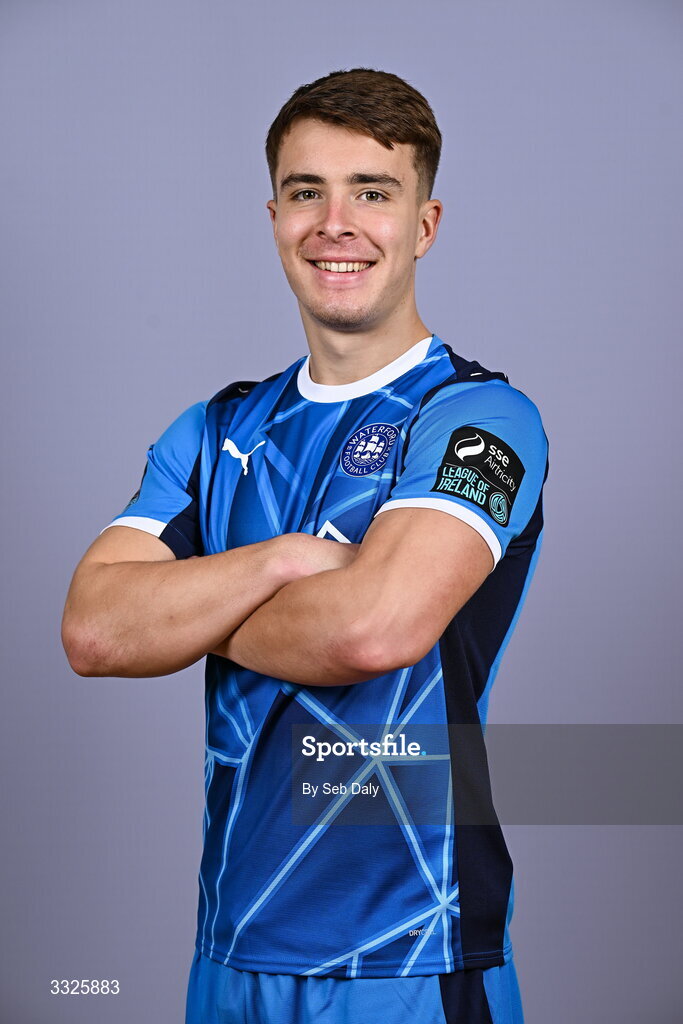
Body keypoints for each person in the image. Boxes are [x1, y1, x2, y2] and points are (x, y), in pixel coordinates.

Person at [62, 68, 548, 1024]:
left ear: (424, 224)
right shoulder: (214, 431)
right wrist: (283, 560)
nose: (336, 222)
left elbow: (374, 629)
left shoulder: (475, 420)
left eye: (373, 192)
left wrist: (189, 613)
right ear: (274, 214)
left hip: (409, 948)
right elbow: (94, 630)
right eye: (305, 192)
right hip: (229, 947)